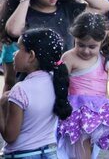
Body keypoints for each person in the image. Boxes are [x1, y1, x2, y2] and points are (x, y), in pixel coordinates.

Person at [57, 12, 109, 159]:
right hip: (75, 116)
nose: (86, 50)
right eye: (80, 44)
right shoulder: (69, 57)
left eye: (92, 46)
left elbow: (103, 94)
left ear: (102, 40)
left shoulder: (104, 59)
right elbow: (59, 86)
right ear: (74, 38)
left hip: (96, 117)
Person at [0, 28, 72, 158]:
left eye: (19, 49)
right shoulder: (57, 81)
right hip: (50, 153)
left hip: (23, 154)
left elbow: (10, 136)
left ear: (31, 56)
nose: (14, 54)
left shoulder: (21, 90)